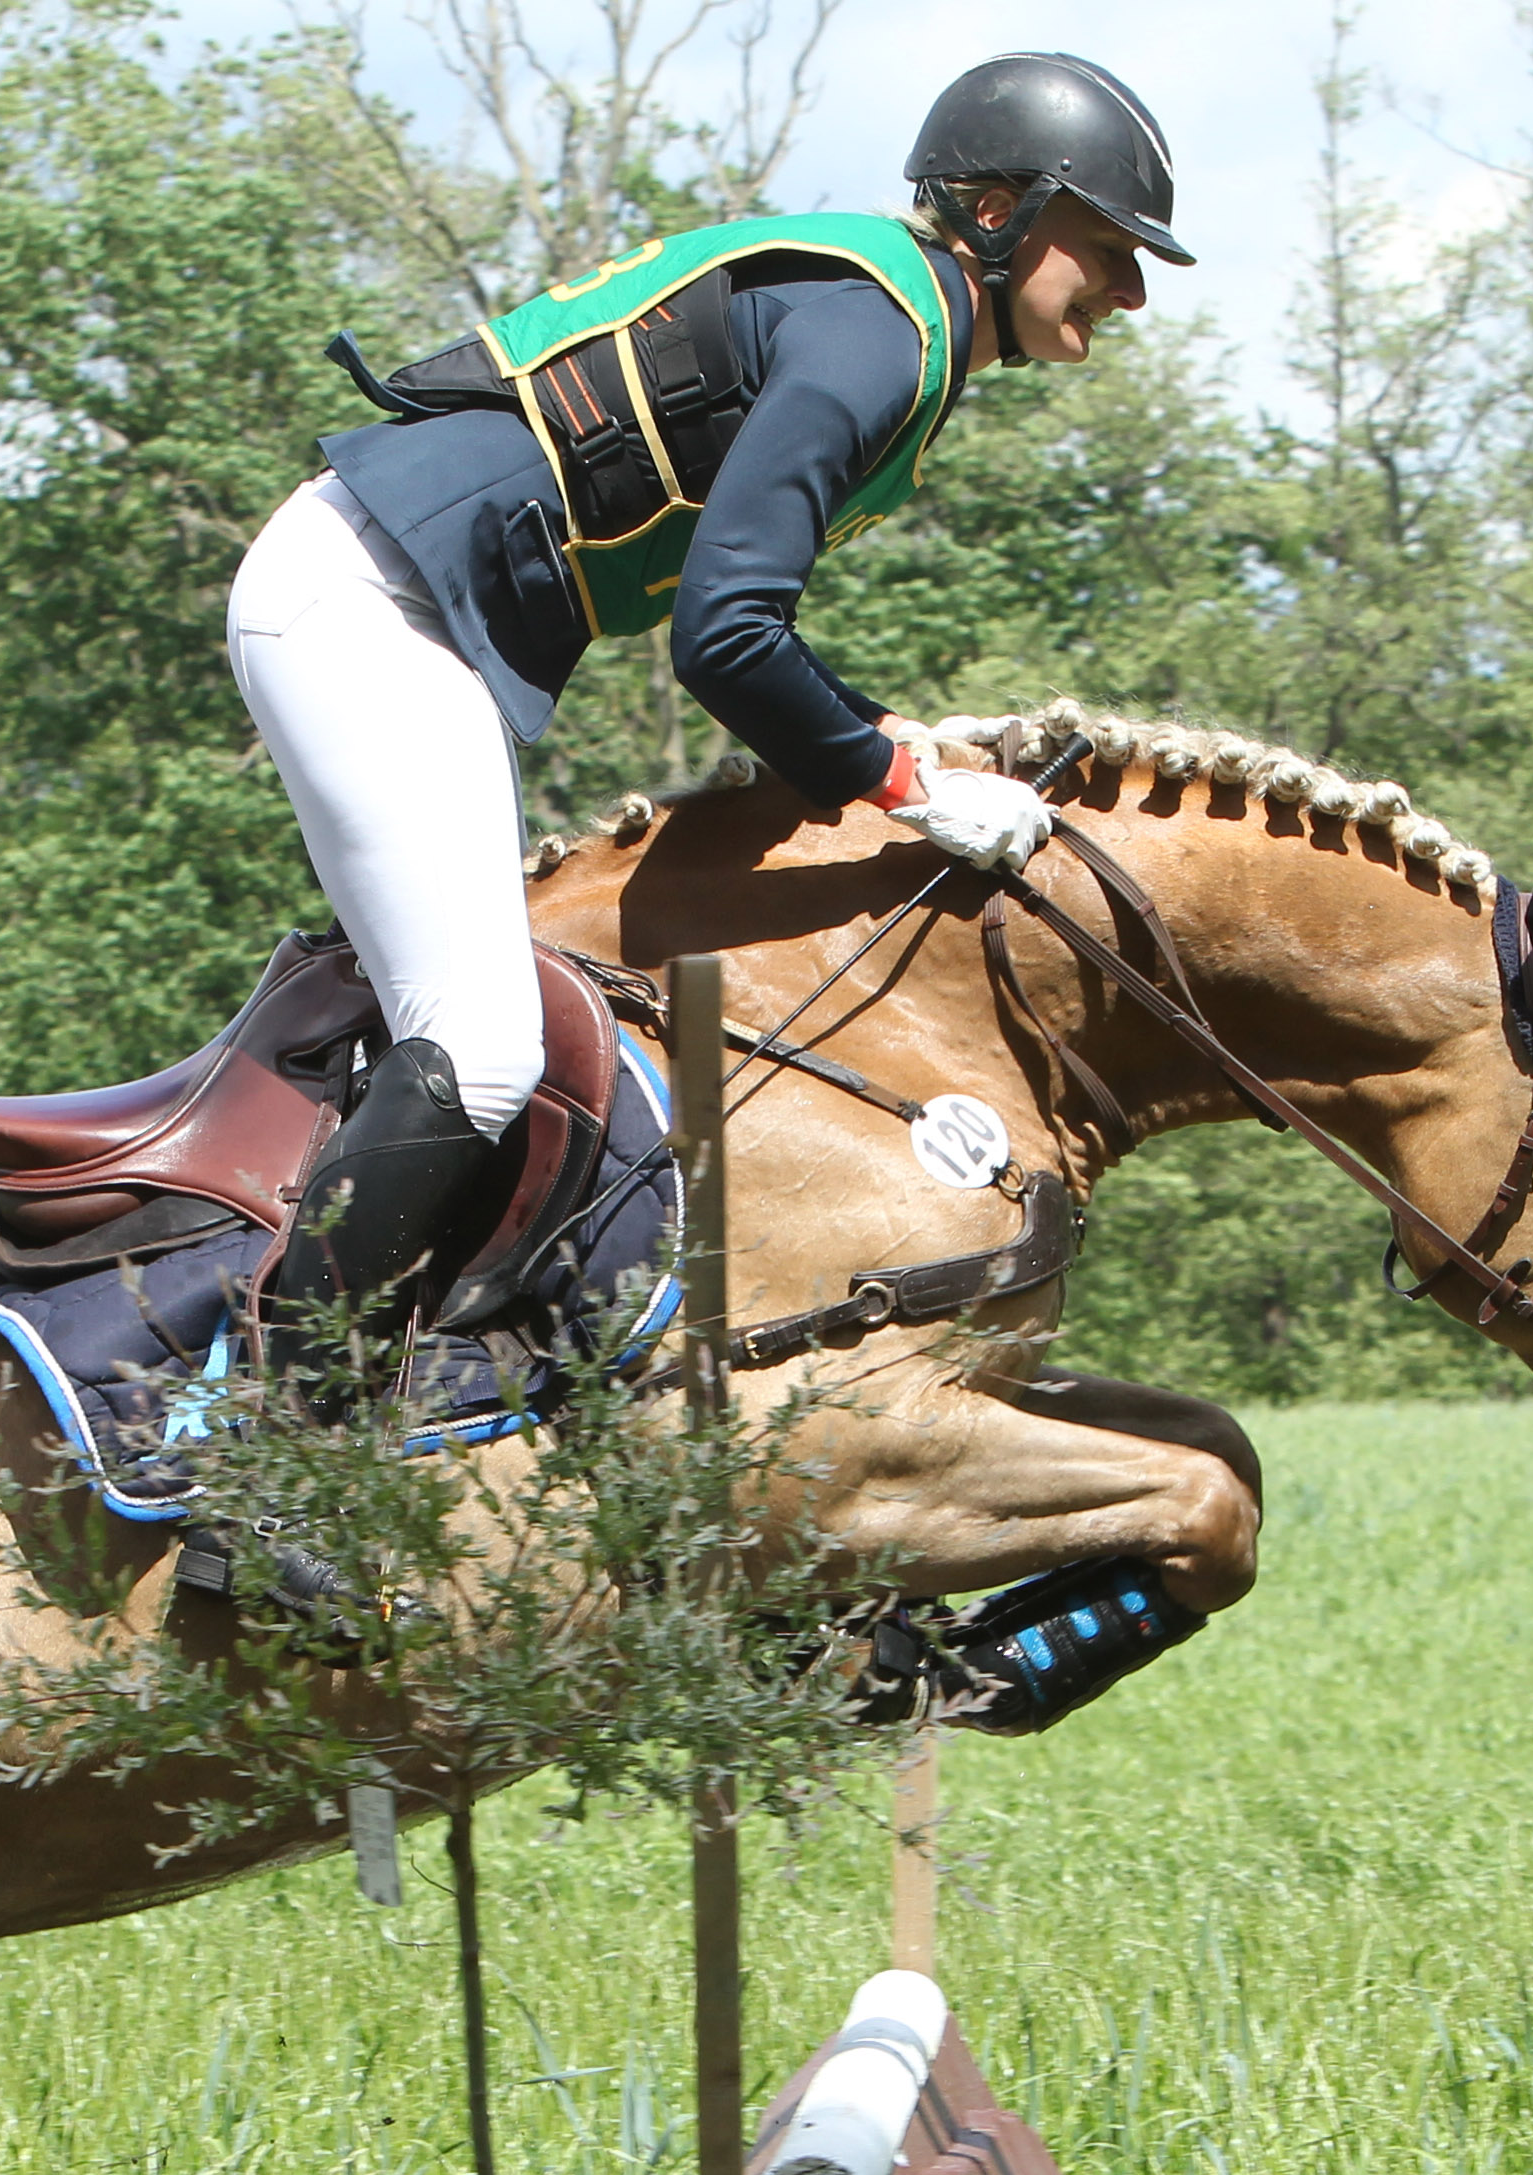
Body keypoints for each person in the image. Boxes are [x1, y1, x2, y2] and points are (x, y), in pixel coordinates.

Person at [225, 50, 1192, 1385]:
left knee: (480, 1026)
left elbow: (745, 637)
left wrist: (886, 746)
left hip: (401, 604)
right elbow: (727, 639)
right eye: (1105, 245)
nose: (1130, 288)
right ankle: (270, 1443)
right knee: (484, 1048)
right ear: (996, 214)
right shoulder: (883, 337)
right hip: (367, 598)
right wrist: (907, 785)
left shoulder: (892, 318)